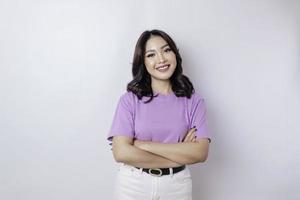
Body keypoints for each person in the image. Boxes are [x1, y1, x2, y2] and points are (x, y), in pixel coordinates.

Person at [107, 29, 211, 200]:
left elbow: (200, 153)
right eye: (151, 55)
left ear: (175, 54)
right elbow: (121, 153)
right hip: (133, 185)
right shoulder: (129, 100)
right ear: (143, 62)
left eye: (166, 50)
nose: (161, 59)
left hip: (176, 186)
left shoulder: (193, 101)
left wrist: (142, 145)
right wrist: (178, 156)